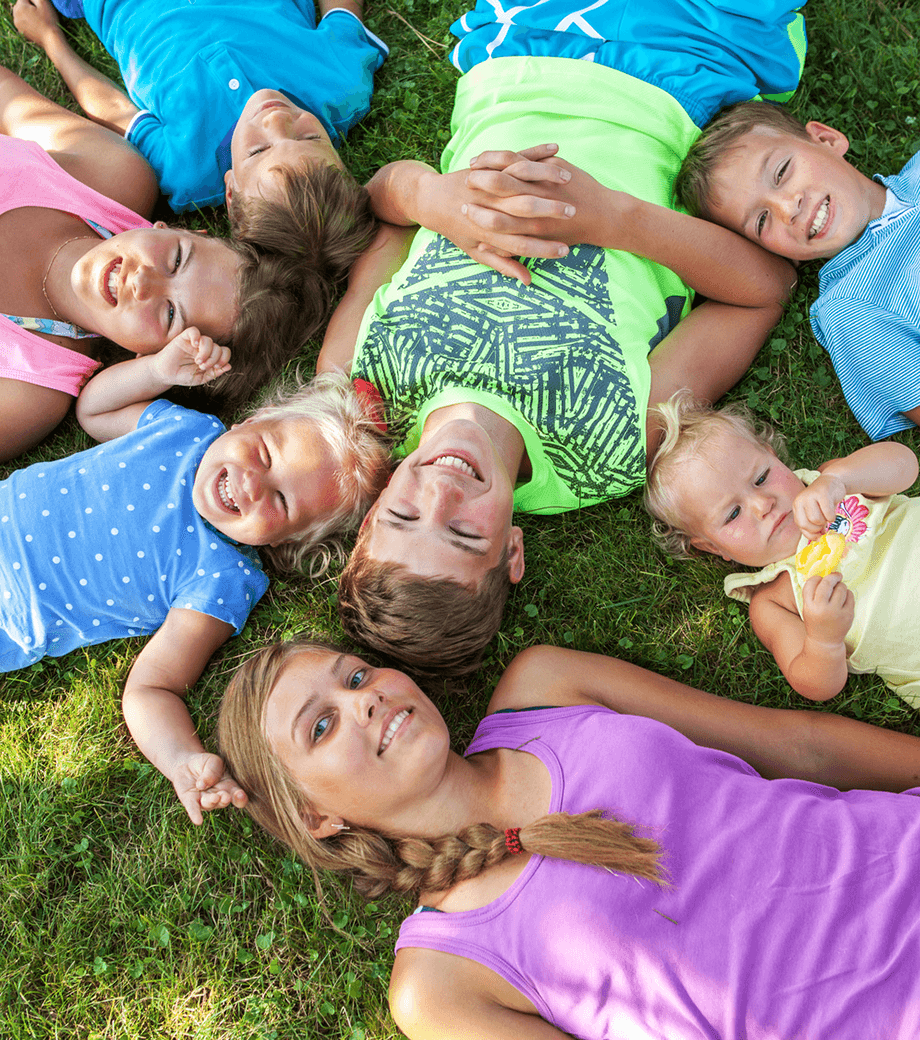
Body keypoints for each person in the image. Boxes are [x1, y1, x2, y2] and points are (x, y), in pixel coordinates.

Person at [327, 0, 804, 677]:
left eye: (403, 517)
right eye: (464, 534)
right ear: (512, 551)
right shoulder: (605, 445)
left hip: (512, 51)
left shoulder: (363, 388)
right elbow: (762, 289)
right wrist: (615, 218)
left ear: (371, 514)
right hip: (669, 77)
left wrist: (433, 201)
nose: (442, 494)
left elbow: (382, 201)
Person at [218, 636, 920, 1040]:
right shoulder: (440, 982)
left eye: (357, 675)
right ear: (316, 817)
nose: (362, 699)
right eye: (322, 725)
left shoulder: (544, 686)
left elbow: (797, 747)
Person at [0, 331, 389, 821]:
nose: (250, 484)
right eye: (265, 454)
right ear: (249, 422)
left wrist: (181, 758)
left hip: (11, 611)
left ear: (287, 543)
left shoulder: (223, 577)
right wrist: (157, 370)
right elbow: (93, 411)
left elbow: (152, 688)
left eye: (281, 501)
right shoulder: (186, 431)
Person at [0, 63, 318, 462]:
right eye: (176, 258)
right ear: (174, 230)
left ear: (147, 356)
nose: (143, 283)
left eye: (170, 314)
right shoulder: (113, 178)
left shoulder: (27, 392)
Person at [644, 392, 920, 705]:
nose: (763, 505)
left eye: (762, 477)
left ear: (771, 453)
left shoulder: (835, 483)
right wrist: (824, 639)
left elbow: (905, 465)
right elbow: (815, 685)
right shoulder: (772, 601)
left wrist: (840, 479)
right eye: (733, 514)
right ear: (711, 546)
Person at [675, 99, 920, 442]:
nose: (788, 208)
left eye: (781, 172)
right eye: (761, 221)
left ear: (826, 140)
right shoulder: (851, 312)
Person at [13, 0, 388, 215]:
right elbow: (343, 15)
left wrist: (50, 37)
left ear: (231, 188)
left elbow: (113, 108)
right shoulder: (341, 85)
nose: (277, 119)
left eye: (259, 150)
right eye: (311, 136)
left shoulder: (184, 170)